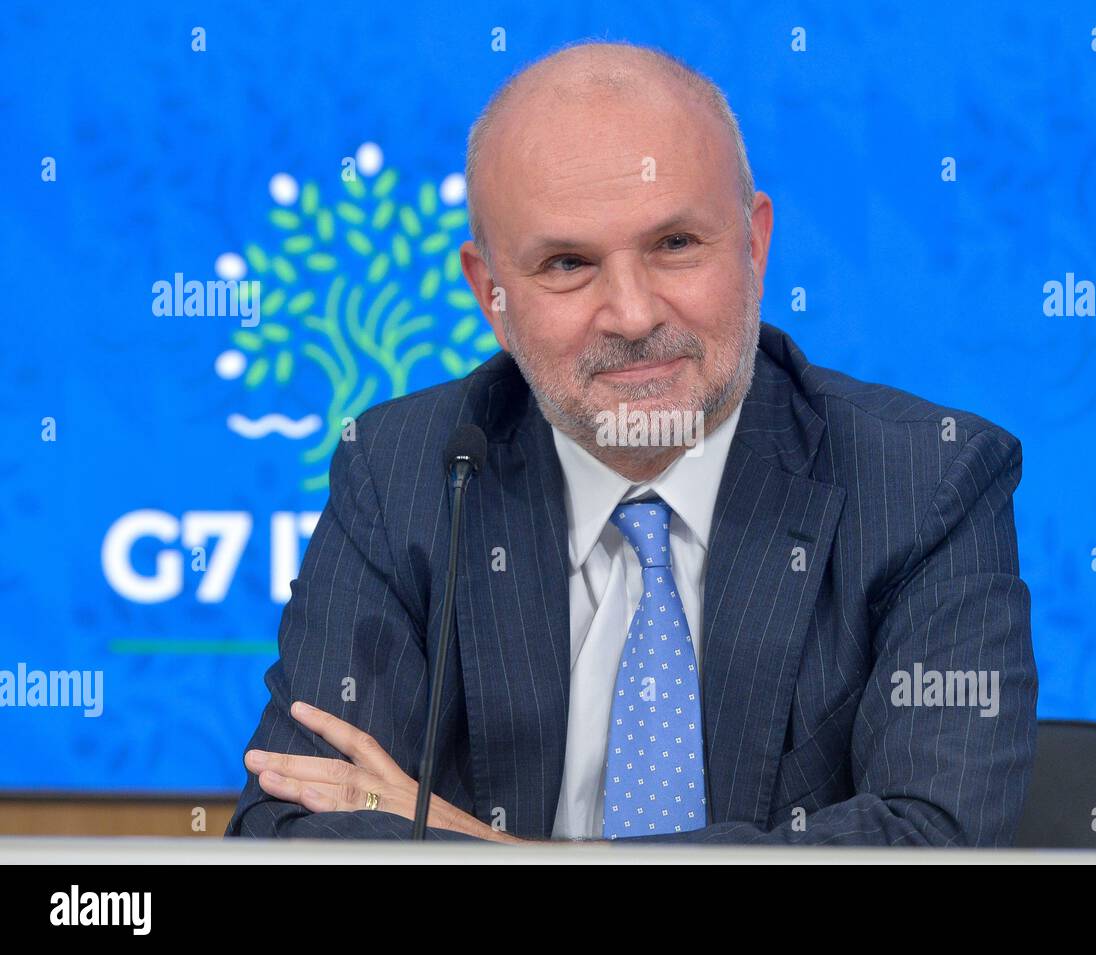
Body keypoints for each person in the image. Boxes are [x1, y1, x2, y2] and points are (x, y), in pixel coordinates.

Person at [225, 39, 1037, 845]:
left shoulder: (927, 480)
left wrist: (507, 855)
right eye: (569, 263)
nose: (634, 313)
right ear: (491, 295)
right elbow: (290, 825)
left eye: (675, 245)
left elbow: (934, 843)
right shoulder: (403, 469)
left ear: (754, 245)